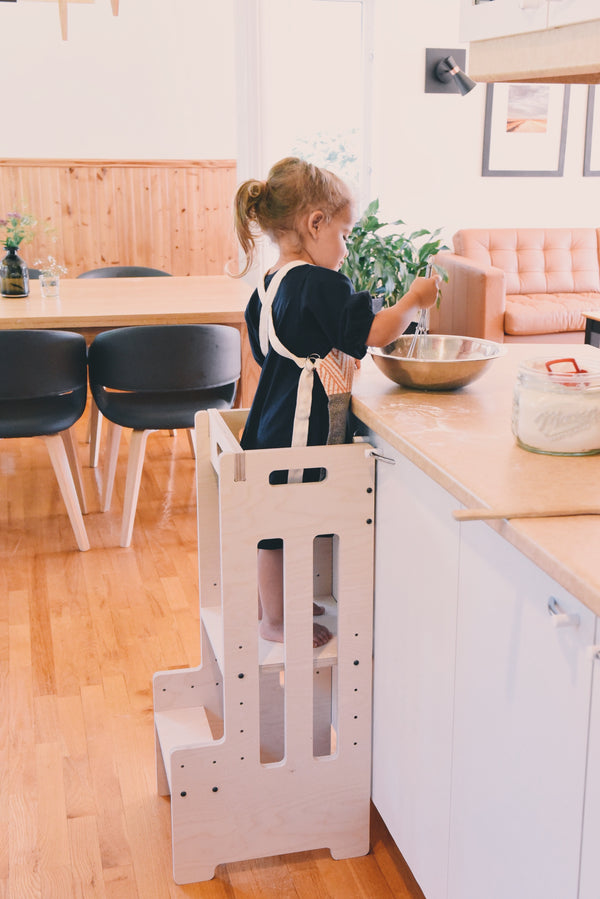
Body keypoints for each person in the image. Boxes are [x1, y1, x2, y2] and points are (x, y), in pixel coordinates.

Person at [233, 157, 439, 647]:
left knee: (273, 522)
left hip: (270, 420)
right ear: (315, 223)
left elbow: (270, 352)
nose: (347, 247)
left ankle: (273, 605)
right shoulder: (318, 283)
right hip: (298, 429)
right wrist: (414, 299)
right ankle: (276, 622)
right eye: (345, 234)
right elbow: (372, 331)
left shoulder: (268, 284)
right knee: (286, 524)